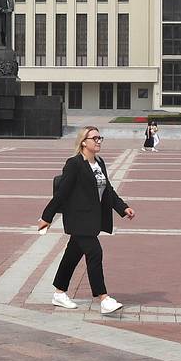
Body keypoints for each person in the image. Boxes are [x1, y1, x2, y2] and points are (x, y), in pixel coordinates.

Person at [38, 126, 136, 315]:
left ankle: (59, 293)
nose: (98, 141)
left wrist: (123, 208)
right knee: (95, 252)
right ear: (84, 142)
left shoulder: (99, 162)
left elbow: (108, 190)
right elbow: (62, 193)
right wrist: (46, 217)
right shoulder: (74, 164)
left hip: (92, 219)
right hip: (78, 218)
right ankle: (104, 299)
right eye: (95, 138)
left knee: (72, 255)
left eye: (100, 138)